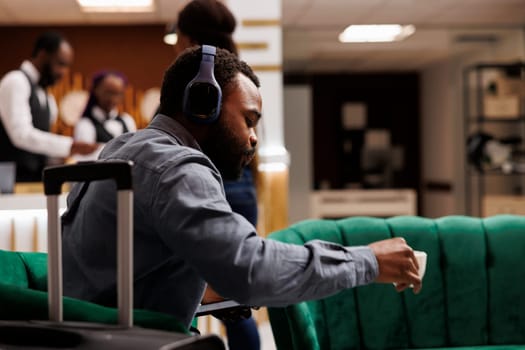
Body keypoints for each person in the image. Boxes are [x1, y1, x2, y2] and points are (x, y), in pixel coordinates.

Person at [62, 46, 422, 333]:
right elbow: (253, 270)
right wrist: (368, 261)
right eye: (248, 119)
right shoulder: (177, 167)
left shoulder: (123, 147)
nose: (253, 137)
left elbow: (121, 277)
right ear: (204, 105)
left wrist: (200, 291)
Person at [0, 31, 98, 182]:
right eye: (60, 64)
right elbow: (20, 135)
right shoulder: (15, 81)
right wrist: (70, 146)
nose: (63, 73)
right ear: (43, 54)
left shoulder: (47, 96)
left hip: (34, 181)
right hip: (8, 182)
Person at [73, 71, 136, 161]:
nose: (113, 99)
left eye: (118, 94)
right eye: (108, 93)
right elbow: (83, 157)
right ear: (96, 90)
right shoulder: (85, 123)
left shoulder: (127, 120)